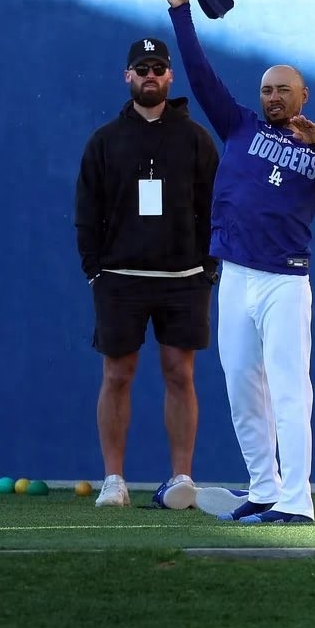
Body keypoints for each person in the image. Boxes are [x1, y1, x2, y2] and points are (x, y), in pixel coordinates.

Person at [162, 0, 315, 525]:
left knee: (291, 391)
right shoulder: (239, 126)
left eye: (282, 90)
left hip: (285, 280)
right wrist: (180, 10)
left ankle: (298, 502)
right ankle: (264, 490)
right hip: (236, 275)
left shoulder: (314, 147)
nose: (272, 97)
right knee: (242, 385)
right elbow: (199, 76)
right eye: (267, 90)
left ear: (302, 95)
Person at [75, 37, 220, 510]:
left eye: (159, 68)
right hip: (119, 278)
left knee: (180, 373)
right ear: (128, 77)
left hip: (183, 278)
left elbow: (214, 208)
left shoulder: (195, 138)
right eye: (142, 69)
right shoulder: (104, 141)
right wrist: (95, 271)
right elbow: (86, 212)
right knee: (118, 373)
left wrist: (208, 268)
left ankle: (182, 478)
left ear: (170, 76)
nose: (150, 75)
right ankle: (113, 481)